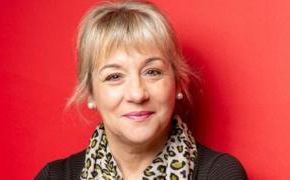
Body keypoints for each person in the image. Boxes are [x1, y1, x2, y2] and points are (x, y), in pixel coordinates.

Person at [36, 0, 247, 179]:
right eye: (114, 76)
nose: (137, 94)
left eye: (152, 72)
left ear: (179, 83)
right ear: (90, 94)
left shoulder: (220, 174)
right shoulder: (54, 176)